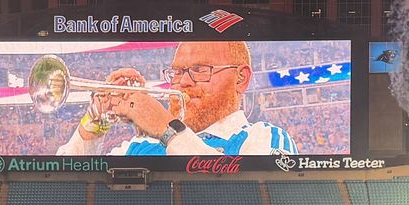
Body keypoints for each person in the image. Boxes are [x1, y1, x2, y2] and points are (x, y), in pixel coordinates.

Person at [56, 41, 297, 156]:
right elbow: (64, 192)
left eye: (201, 69)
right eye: (177, 72)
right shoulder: (139, 146)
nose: (183, 82)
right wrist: (96, 121)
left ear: (240, 79)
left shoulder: (264, 137)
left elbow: (251, 199)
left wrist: (165, 127)